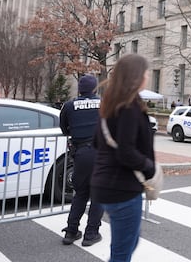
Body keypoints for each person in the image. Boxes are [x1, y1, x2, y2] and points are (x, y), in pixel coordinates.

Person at [91, 54, 156, 262]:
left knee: (128, 243)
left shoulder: (111, 104)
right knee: (122, 253)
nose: (147, 76)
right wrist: (149, 167)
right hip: (122, 187)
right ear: (137, 76)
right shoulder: (129, 107)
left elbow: (96, 142)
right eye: (145, 72)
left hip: (107, 184)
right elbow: (125, 152)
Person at [59, 75, 104, 246]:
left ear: (80, 89)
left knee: (81, 194)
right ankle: (91, 234)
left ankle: (71, 232)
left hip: (81, 154)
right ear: (95, 89)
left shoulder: (69, 105)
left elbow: (64, 129)